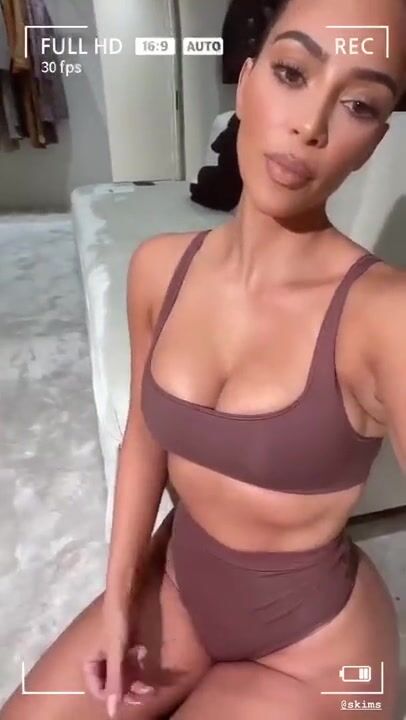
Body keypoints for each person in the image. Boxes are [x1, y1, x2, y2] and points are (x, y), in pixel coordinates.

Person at [2, 0, 406, 717]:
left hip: (311, 652)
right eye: (292, 73)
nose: (310, 125)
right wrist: (120, 598)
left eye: (359, 105)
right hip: (177, 587)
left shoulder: (385, 314)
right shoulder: (159, 268)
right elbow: (142, 442)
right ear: (246, 81)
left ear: (374, 141)